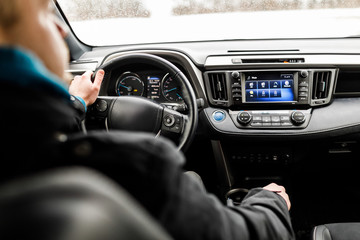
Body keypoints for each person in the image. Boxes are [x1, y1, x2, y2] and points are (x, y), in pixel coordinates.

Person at [0, 0, 295, 239]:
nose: (61, 31)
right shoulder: (140, 169)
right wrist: (272, 200)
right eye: (45, 12)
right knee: (191, 178)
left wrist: (75, 102)